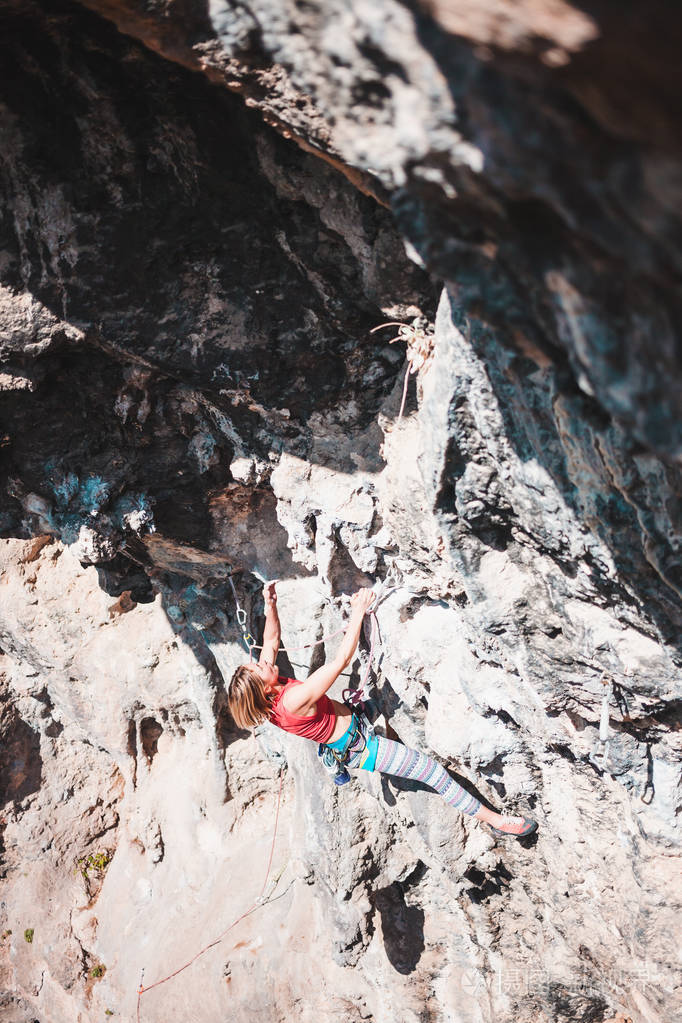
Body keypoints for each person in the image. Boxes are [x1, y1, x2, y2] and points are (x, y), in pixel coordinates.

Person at [228, 582, 537, 838]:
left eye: (255, 661)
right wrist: (358, 613)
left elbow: (270, 639)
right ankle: (498, 822)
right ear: (262, 688)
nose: (262, 661)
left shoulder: (269, 696)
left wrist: (271, 606)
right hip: (365, 748)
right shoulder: (291, 701)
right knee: (432, 772)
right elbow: (339, 662)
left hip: (354, 725)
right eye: (257, 668)